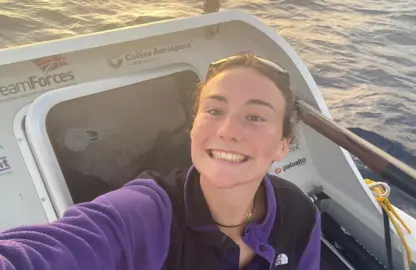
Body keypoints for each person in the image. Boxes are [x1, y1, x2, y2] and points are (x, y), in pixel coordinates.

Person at [0, 52, 321, 269]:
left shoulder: (299, 213)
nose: (227, 131)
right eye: (214, 110)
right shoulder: (144, 214)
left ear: (282, 145)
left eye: (254, 116)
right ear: (194, 126)